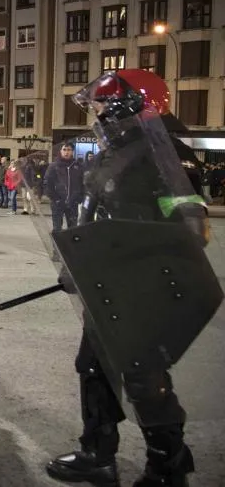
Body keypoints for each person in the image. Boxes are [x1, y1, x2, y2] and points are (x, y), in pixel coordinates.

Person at [45, 69, 206, 487]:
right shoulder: (114, 150)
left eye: (100, 103)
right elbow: (94, 214)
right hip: (106, 280)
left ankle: (167, 469)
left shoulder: (162, 150)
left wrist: (142, 250)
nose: (94, 111)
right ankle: (97, 454)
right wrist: (77, 263)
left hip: (144, 284)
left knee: (144, 375)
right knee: (93, 367)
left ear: (128, 104)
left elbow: (190, 227)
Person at [44, 142, 84, 231]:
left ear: (72, 151)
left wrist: (79, 197)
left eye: (69, 150)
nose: (66, 152)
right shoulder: (53, 166)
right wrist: (55, 198)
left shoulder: (77, 166)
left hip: (73, 203)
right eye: (64, 150)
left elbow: (83, 183)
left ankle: (71, 245)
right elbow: (47, 183)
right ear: (60, 151)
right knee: (57, 228)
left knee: (73, 229)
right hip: (58, 203)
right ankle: (57, 245)